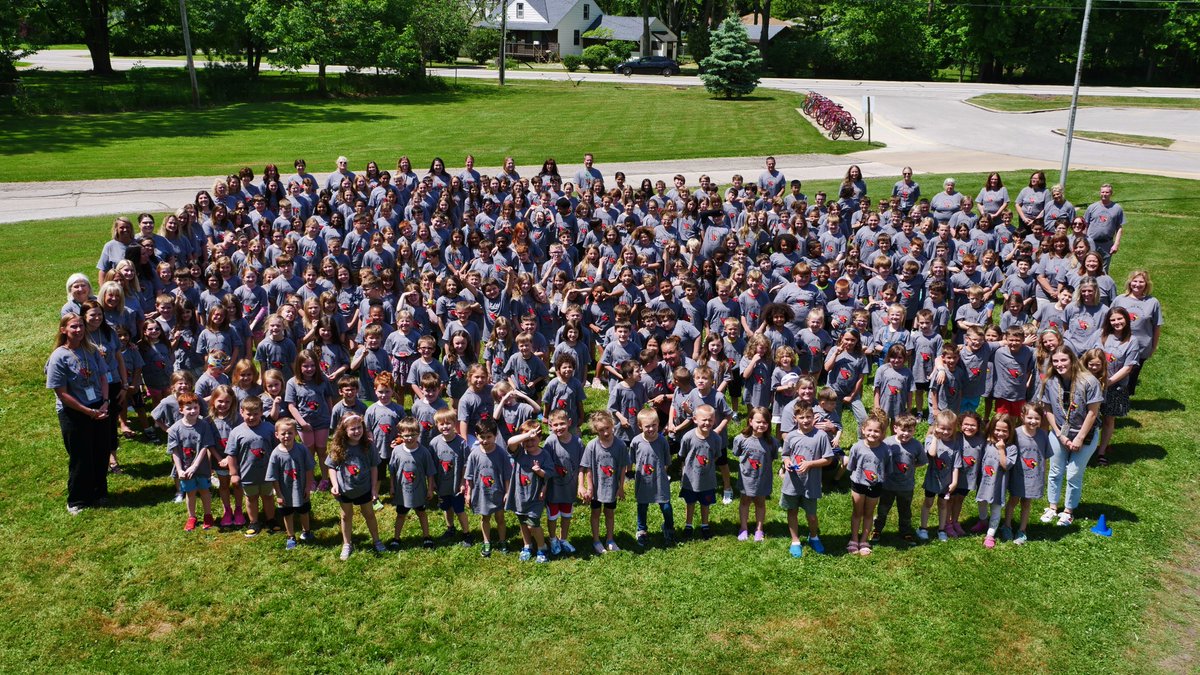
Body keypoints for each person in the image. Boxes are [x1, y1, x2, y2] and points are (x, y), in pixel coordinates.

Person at [47, 313, 111, 514]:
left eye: (81, 326)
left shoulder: (91, 350)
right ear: (63, 329)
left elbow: (103, 376)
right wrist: (87, 411)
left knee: (100, 452)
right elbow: (62, 393)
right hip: (74, 412)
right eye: (74, 327)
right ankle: (77, 500)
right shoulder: (59, 356)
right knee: (81, 456)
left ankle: (99, 492)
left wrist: (105, 402)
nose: (79, 330)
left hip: (98, 406)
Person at [1039, 346, 1103, 527]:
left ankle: (1068, 511)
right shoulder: (1050, 381)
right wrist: (1059, 435)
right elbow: (1047, 409)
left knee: (1074, 473)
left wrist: (1079, 438)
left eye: (1063, 360)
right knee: (1055, 471)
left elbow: (1092, 413)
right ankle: (1052, 507)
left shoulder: (1089, 381)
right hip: (1059, 433)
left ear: (1072, 360)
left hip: (1085, 434)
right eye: (1056, 361)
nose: (1060, 364)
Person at [325, 414, 385, 559]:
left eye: (359, 428)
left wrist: (373, 489)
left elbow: (374, 467)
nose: (357, 431)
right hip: (345, 489)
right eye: (353, 429)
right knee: (346, 516)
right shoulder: (339, 447)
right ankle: (347, 544)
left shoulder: (368, 445)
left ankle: (376, 540)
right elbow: (331, 466)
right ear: (344, 430)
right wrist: (334, 485)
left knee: (369, 514)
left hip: (364, 488)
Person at [225, 397, 276, 536]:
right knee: (251, 498)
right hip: (248, 474)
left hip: (267, 473)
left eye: (256, 413)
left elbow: (277, 450)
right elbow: (231, 455)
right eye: (248, 414)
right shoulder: (236, 432)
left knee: (268, 496)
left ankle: (271, 519)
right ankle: (254, 522)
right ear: (241, 412)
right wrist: (234, 474)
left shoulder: (269, 428)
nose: (252, 417)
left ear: (261, 412)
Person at [1003, 404, 1052, 544]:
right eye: (1029, 417)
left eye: (1036, 418)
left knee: (1026, 503)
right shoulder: (1016, 434)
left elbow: (1045, 456)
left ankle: (1022, 530)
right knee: (1013, 500)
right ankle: (1007, 526)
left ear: (1041, 419)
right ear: (1022, 416)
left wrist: (1043, 474)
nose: (1033, 421)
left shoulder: (1043, 435)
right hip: (1017, 476)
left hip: (1034, 477)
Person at [167, 391, 216, 531]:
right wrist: (180, 469)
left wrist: (195, 466)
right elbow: (175, 451)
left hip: (201, 467)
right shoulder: (175, 429)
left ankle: (208, 515)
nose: (193, 411)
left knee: (205, 491)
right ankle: (192, 517)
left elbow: (204, 447)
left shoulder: (204, 425)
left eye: (196, 407)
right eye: (189, 408)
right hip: (184, 469)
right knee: (190, 493)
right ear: (181, 410)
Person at [580, 411, 628, 554]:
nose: (605, 432)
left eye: (607, 428)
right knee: (595, 513)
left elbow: (623, 467)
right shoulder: (591, 446)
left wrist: (621, 487)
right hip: (596, 488)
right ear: (595, 430)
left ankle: (610, 539)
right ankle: (596, 540)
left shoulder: (620, 445)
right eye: (601, 430)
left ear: (612, 425)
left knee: (610, 513)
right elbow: (587, 468)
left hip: (612, 488)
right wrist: (589, 488)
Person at [1095, 309, 1138, 465]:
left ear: (1126, 319)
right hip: (1094, 385)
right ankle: (1087, 446)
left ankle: (1101, 451)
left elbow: (1128, 367)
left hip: (1115, 387)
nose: (1117, 322)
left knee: (1108, 419)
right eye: (1113, 320)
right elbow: (1091, 355)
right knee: (1090, 417)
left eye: (1120, 319)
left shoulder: (1132, 340)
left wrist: (1109, 382)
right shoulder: (1101, 334)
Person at [464, 419, 512, 558]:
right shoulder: (474, 454)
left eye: (489, 437)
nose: (485, 441)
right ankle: (486, 541)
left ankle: (502, 541)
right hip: (481, 494)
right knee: (485, 518)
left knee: (500, 518)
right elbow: (470, 476)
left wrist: (508, 492)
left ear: (495, 436)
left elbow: (507, 475)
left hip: (498, 492)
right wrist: (468, 493)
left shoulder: (501, 453)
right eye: (482, 437)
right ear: (476, 435)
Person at [266, 418, 315, 550]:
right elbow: (273, 477)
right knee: (287, 514)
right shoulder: (275, 454)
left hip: (301, 489)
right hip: (284, 492)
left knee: (304, 511)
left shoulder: (302, 449)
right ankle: (291, 536)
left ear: (296, 434)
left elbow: (309, 469)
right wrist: (279, 493)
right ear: (277, 435)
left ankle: (307, 532)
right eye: (283, 433)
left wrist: (307, 487)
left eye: (290, 433)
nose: (287, 436)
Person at [388, 418, 437, 550]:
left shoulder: (424, 452)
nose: (410, 438)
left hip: (419, 491)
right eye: (406, 435)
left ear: (418, 434)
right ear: (400, 435)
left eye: (413, 435)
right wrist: (392, 487)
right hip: (402, 492)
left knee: (421, 513)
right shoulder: (396, 451)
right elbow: (392, 471)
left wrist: (430, 489)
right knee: (401, 514)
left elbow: (430, 472)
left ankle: (426, 537)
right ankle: (396, 538)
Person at [1111, 269, 1161, 396]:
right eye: (1135, 281)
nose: (1137, 284)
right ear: (1130, 282)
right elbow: (1109, 320)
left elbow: (1157, 326)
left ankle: (1124, 399)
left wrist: (1153, 347)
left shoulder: (1152, 302)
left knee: (1132, 374)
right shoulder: (1120, 299)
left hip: (1141, 346)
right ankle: (1113, 398)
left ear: (1146, 284)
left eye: (1141, 282)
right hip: (1120, 343)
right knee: (1116, 370)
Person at [846, 412, 890, 556]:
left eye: (876, 431)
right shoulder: (856, 447)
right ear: (863, 430)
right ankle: (853, 539)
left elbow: (887, 468)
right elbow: (851, 466)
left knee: (869, 513)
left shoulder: (885, 450)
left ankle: (864, 540)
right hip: (858, 484)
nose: (872, 433)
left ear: (882, 433)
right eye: (869, 430)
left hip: (875, 485)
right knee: (857, 512)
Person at [630, 408, 675, 547]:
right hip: (643, 481)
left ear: (658, 424)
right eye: (647, 426)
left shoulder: (662, 441)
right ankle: (641, 530)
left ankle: (668, 527)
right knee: (642, 507)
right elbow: (631, 459)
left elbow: (667, 461)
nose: (651, 429)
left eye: (654, 425)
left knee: (666, 507)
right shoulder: (636, 442)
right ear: (640, 426)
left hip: (660, 481)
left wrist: (662, 474)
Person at [679, 404, 723, 540]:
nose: (707, 423)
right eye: (703, 419)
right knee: (690, 503)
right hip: (690, 480)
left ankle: (705, 525)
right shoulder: (688, 437)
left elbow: (716, 455)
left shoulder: (716, 439)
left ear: (714, 420)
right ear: (695, 419)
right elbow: (683, 456)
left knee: (705, 503)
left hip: (707, 480)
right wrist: (684, 472)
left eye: (710, 420)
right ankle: (688, 525)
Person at [732, 407, 776, 542]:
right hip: (746, 478)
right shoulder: (740, 439)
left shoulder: (772, 442)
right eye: (758, 422)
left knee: (760, 503)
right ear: (750, 421)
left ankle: (759, 529)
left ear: (768, 424)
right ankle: (743, 527)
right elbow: (736, 453)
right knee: (744, 501)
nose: (761, 425)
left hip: (762, 478)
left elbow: (772, 457)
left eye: (765, 422)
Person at [978, 415, 1016, 549]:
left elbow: (1005, 465)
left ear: (1010, 432)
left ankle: (990, 534)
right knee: (981, 501)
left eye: (1004, 431)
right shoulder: (986, 443)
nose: (1000, 433)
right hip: (984, 482)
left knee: (996, 507)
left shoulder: (1011, 448)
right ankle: (983, 521)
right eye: (997, 429)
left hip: (998, 485)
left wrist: (1001, 450)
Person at [1083, 183, 1125, 272]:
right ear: (1100, 193)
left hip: (1107, 244)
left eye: (1107, 192)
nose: (1104, 194)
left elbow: (1119, 228)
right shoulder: (1092, 207)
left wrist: (1116, 244)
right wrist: (1084, 241)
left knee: (1104, 270)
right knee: (1089, 267)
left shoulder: (1117, 208)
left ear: (1111, 193)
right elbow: (1085, 225)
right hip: (1091, 242)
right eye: (1102, 192)